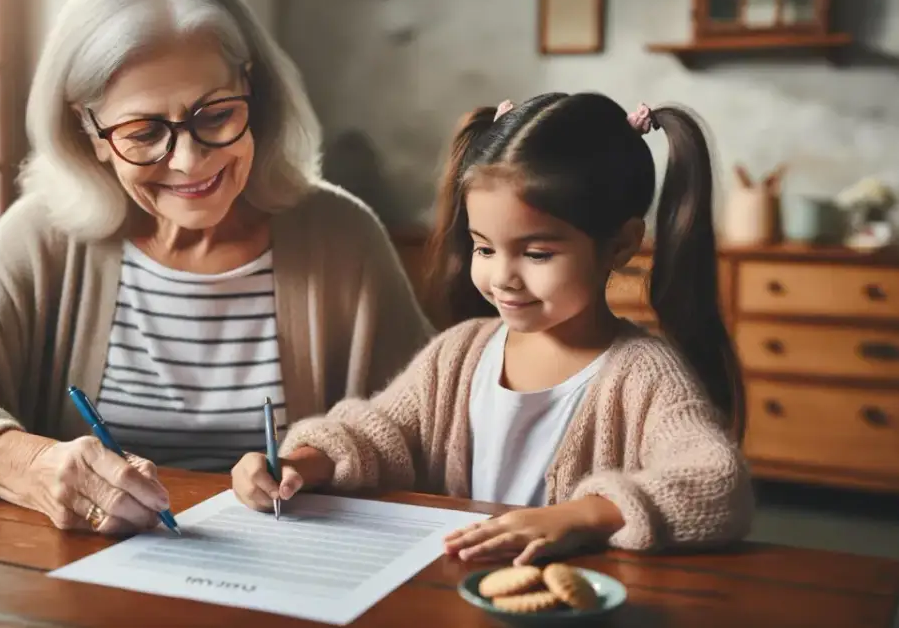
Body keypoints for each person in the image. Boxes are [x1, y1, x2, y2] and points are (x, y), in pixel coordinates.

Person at [0, 0, 431, 537]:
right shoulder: (45, 236)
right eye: (143, 133)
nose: (189, 161)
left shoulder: (341, 238)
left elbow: (429, 427)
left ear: (254, 93)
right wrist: (30, 465)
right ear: (92, 136)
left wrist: (319, 462)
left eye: (215, 116)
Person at [232, 93, 754, 564]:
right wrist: (305, 462)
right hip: (448, 591)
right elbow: (380, 432)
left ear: (620, 245)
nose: (501, 276)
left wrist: (579, 516)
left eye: (536, 252)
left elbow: (715, 483)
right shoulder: (459, 353)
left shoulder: (645, 376)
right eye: (483, 247)